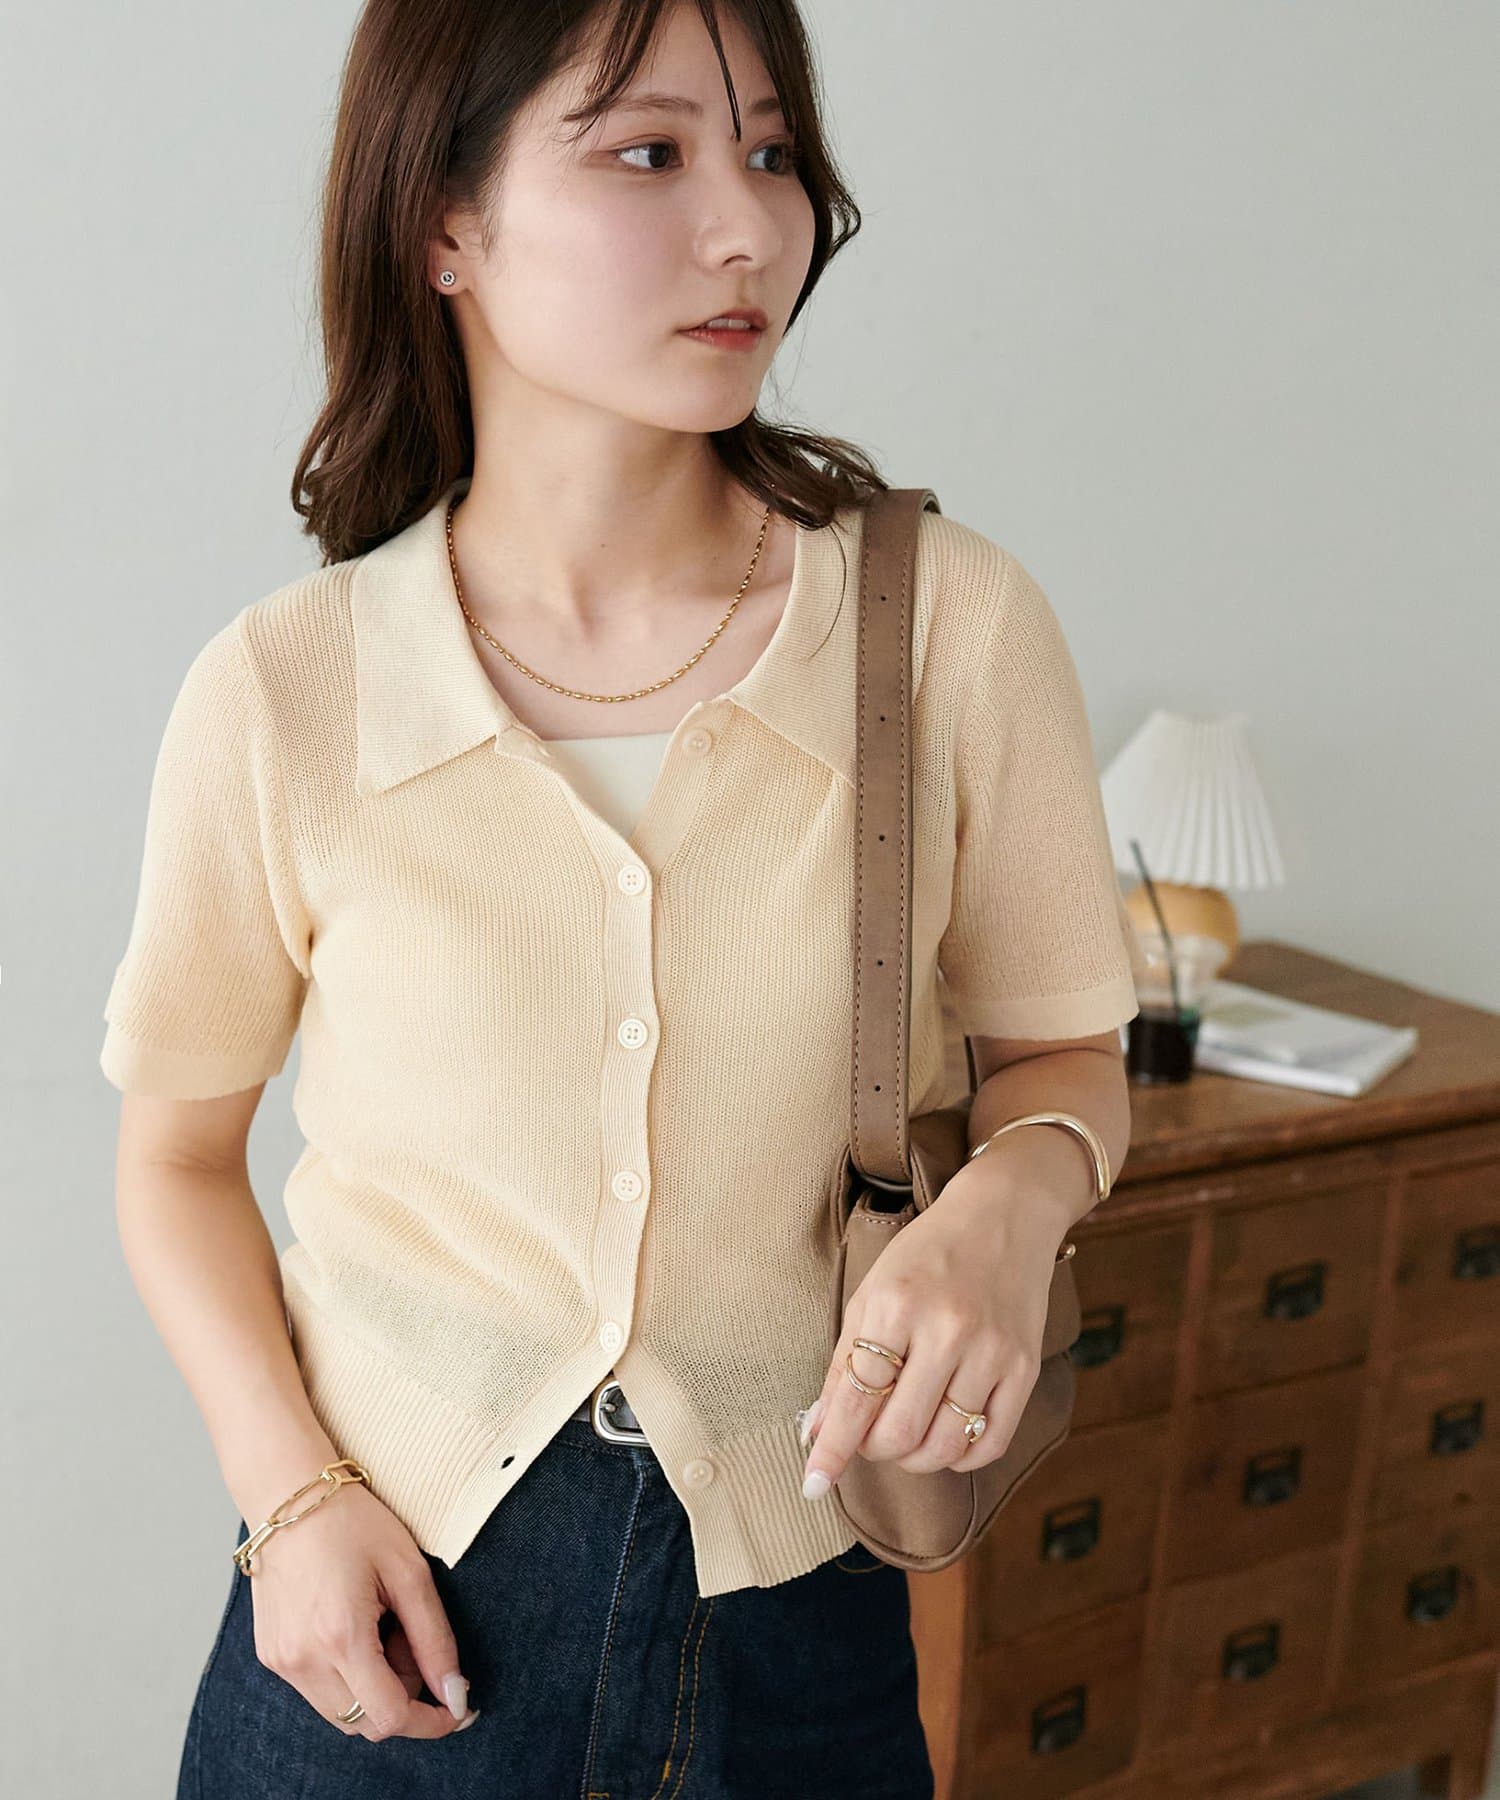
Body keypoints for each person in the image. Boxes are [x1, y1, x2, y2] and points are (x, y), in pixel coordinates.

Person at [101, 2, 1142, 1795]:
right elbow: (176, 1162)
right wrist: (291, 1498)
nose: (747, 226)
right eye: (649, 152)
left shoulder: (947, 628)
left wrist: (1012, 1203)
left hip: (798, 1614)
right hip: (387, 1613)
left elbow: (1066, 1064)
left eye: (772, 153)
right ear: (446, 225)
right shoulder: (288, 691)